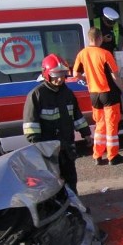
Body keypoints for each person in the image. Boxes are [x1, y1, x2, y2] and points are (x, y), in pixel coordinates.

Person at [23, 54, 93, 194]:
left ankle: (74, 207)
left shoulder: (67, 93)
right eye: (56, 75)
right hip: (49, 149)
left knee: (71, 178)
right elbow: (31, 125)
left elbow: (76, 115)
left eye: (63, 74)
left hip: (67, 145)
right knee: (54, 181)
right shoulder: (36, 95)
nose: (60, 79)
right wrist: (38, 146)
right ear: (47, 74)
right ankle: (61, 209)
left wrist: (86, 134)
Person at [73, 28, 123, 166]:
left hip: (94, 94)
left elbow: (76, 75)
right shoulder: (105, 53)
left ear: (89, 38)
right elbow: (115, 76)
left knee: (99, 126)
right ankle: (113, 156)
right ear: (100, 38)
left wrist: (88, 81)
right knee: (111, 125)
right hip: (108, 93)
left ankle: (97, 155)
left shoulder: (81, 54)